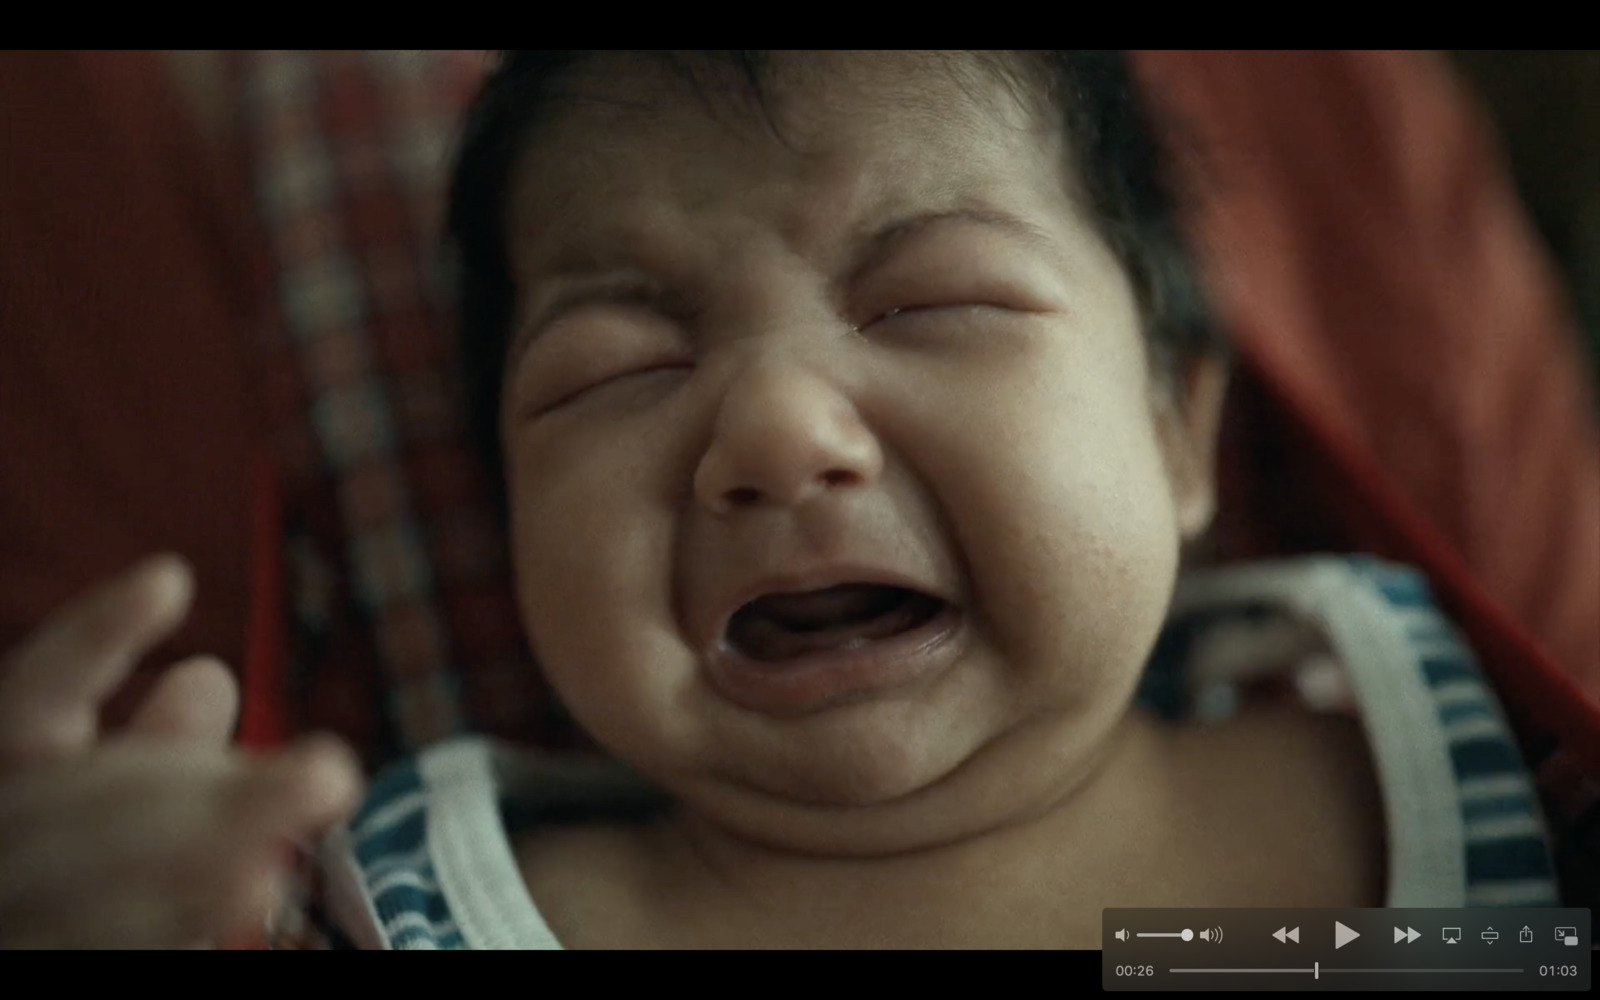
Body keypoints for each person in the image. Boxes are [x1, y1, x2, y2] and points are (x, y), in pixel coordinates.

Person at [0, 50, 1565, 950]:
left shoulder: (1431, 758)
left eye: (929, 302)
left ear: (1178, 432)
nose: (772, 431)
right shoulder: (397, 899)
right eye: (611, 371)